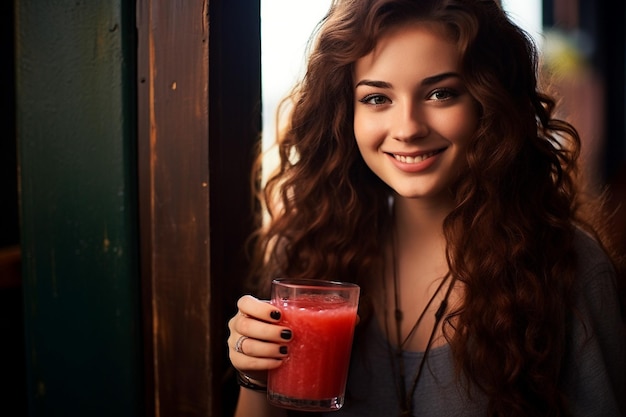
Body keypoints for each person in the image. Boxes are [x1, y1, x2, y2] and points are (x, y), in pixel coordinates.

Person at [227, 0, 626, 415]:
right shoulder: (309, 251)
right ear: (346, 112)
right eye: (377, 98)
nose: (408, 129)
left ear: (487, 102)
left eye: (440, 93)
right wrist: (256, 375)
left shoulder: (568, 267)